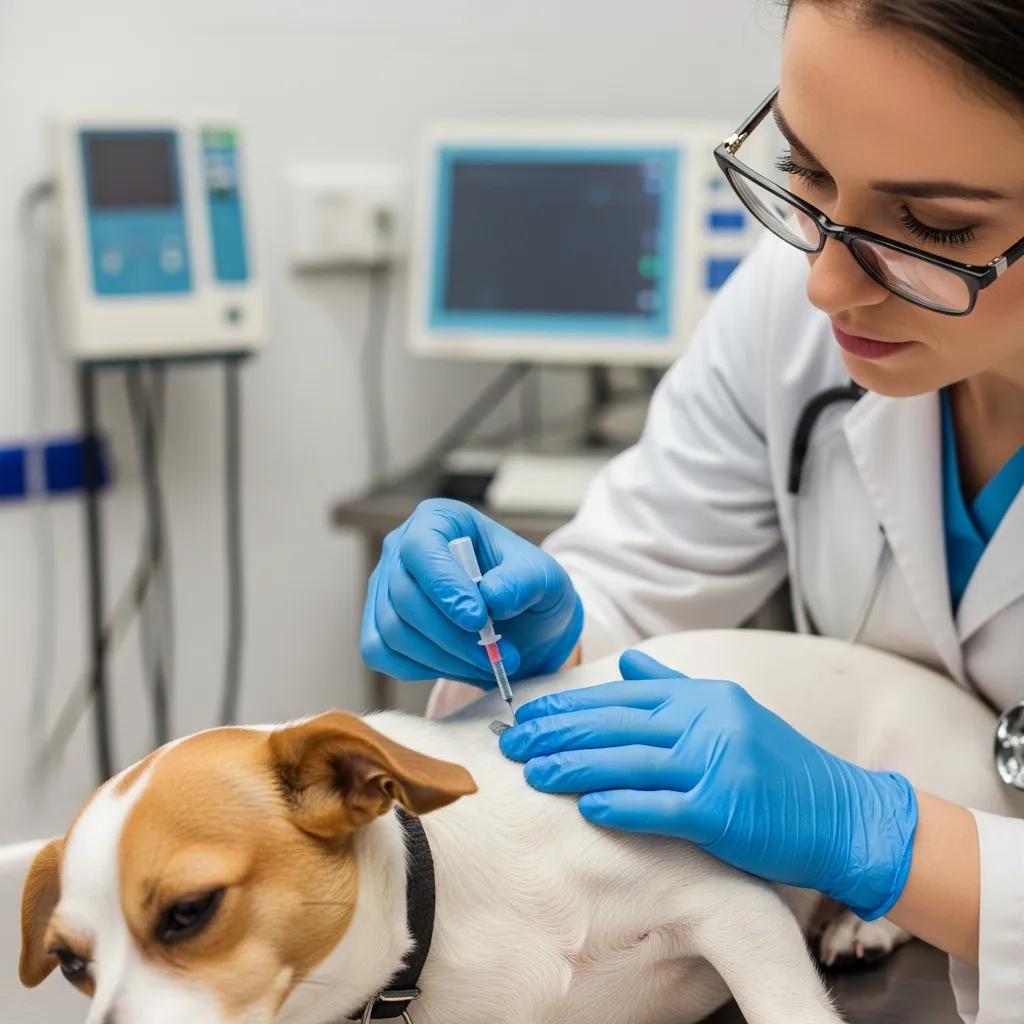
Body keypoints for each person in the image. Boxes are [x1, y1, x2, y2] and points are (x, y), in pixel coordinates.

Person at [360, 2, 1024, 1020]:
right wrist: (554, 619)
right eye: (806, 174)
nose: (823, 282)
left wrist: (880, 835)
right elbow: (645, 573)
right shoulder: (784, 313)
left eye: (934, 227)